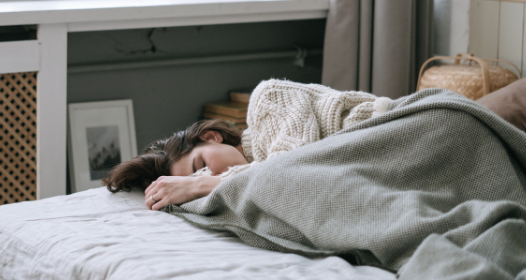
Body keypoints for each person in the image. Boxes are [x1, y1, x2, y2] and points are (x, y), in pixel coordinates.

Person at [104, 78, 392, 210]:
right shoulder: (248, 181)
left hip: (389, 128)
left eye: (202, 166)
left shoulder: (268, 98)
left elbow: (290, 171)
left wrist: (197, 185)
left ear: (210, 137)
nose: (210, 178)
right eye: (197, 178)